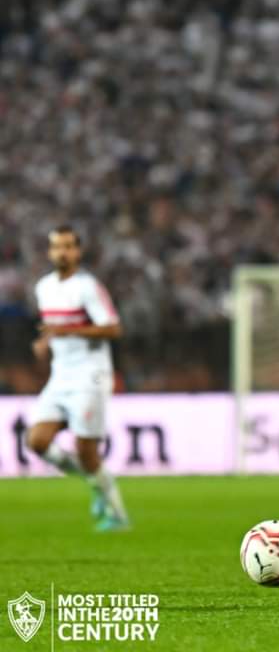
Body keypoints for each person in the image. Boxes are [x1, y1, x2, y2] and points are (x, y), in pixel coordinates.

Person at [25, 225, 130, 532]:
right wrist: (44, 342)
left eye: (69, 246)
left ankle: (117, 515)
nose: (63, 252)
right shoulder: (44, 287)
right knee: (37, 441)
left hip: (90, 375)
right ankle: (94, 482)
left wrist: (66, 330)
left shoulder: (88, 287)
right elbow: (53, 328)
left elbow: (113, 328)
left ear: (78, 251)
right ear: (50, 251)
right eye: (57, 246)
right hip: (61, 376)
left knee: (86, 451)